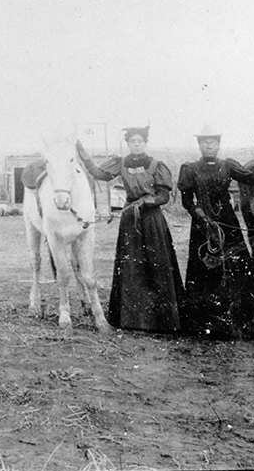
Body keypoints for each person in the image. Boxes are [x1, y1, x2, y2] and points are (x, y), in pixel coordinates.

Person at [178, 126, 254, 341]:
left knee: (243, 265)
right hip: (203, 226)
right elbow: (187, 201)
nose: (209, 145)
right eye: (204, 142)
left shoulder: (227, 165)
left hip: (228, 223)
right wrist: (204, 219)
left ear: (218, 145)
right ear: (199, 145)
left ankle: (251, 316)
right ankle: (207, 320)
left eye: (213, 141)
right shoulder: (189, 168)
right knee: (205, 271)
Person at [77, 126, 184, 333]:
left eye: (140, 141)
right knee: (131, 266)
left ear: (145, 143)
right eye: (132, 141)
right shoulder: (122, 163)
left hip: (152, 219)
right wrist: (82, 152)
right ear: (128, 144)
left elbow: (164, 195)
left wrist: (146, 201)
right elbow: (99, 173)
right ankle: (133, 319)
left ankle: (162, 320)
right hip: (129, 219)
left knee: (156, 265)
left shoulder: (156, 165)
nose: (136, 144)